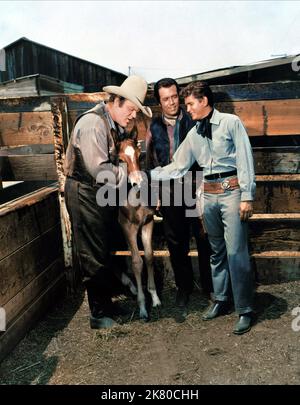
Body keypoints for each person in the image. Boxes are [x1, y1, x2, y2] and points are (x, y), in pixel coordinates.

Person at [150, 81, 255, 334]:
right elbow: (177, 166)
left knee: (236, 252)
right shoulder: (194, 134)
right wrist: (147, 175)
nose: (186, 108)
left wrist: (247, 196)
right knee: (216, 251)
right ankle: (220, 299)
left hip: (231, 192)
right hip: (207, 195)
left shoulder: (231, 123)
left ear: (204, 101)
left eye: (189, 103)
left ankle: (244, 309)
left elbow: (244, 158)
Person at [64, 75, 152, 329]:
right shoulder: (93, 124)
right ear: (116, 100)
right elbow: (100, 170)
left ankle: (107, 303)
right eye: (131, 109)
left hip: (100, 191)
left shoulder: (111, 124)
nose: (133, 116)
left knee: (103, 246)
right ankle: (98, 313)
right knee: (92, 251)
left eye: (136, 111)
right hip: (85, 191)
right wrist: (130, 173)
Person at [146, 78, 212, 311]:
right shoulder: (153, 127)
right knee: (176, 242)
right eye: (166, 99)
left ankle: (209, 287)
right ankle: (184, 288)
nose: (172, 102)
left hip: (195, 187)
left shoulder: (193, 119)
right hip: (169, 189)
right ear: (159, 102)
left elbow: (206, 153)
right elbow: (151, 160)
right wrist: (154, 194)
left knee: (204, 238)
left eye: (175, 96)